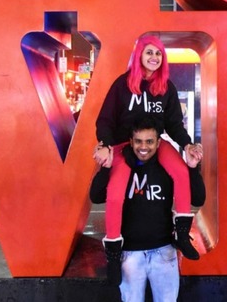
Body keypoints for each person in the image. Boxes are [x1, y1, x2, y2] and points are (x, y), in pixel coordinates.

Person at [93, 35, 204, 263]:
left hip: (156, 142)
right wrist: (105, 145)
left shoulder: (166, 88)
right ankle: (113, 253)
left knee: (182, 173)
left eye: (158, 53)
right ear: (139, 55)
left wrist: (187, 144)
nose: (154, 57)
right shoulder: (122, 84)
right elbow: (105, 121)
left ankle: (181, 235)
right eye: (149, 52)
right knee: (114, 193)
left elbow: (174, 124)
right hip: (125, 145)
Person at [90, 116, 205, 298]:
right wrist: (105, 169)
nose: (143, 147)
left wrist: (192, 168)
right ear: (130, 141)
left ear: (159, 142)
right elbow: (95, 197)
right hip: (129, 254)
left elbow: (198, 199)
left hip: (164, 251)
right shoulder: (122, 166)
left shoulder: (168, 167)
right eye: (138, 141)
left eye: (149, 141)